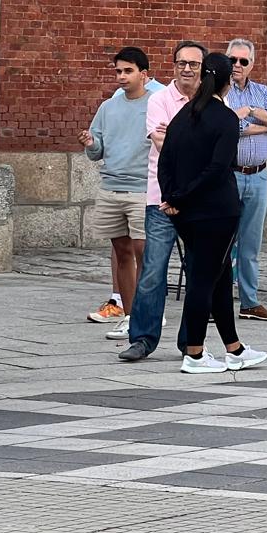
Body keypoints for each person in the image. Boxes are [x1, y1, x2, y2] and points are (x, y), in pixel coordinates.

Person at [157, 52, 267, 374]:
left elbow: (166, 159)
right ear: (226, 82)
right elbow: (218, 168)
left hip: (185, 211)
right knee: (203, 281)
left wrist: (172, 197)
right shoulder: (225, 118)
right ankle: (194, 353)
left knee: (218, 279)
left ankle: (234, 348)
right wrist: (180, 195)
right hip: (216, 211)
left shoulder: (185, 113)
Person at [119, 40, 207, 364]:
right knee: (153, 271)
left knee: (198, 271)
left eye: (194, 64)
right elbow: (162, 144)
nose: (187, 69)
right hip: (162, 199)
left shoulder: (211, 101)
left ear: (203, 69)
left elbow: (208, 148)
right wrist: (192, 142)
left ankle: (191, 342)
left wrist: (177, 138)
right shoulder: (159, 100)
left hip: (199, 201)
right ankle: (142, 338)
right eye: (182, 63)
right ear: (173, 66)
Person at [81, 46, 160, 338]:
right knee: (122, 252)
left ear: (144, 74)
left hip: (143, 189)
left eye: (128, 71)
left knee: (144, 252)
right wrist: (90, 144)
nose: (122, 77)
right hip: (111, 187)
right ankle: (129, 314)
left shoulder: (157, 102)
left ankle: (148, 312)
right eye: (118, 71)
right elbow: (96, 150)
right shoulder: (108, 107)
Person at [225, 38, 267, 323]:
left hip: (259, 175)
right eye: (232, 60)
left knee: (251, 243)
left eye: (243, 61)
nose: (237, 66)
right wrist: (261, 127)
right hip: (229, 175)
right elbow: (227, 126)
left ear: (252, 64)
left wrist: (250, 112)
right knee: (223, 241)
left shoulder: (261, 92)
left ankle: (249, 301)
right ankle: (220, 300)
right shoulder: (219, 92)